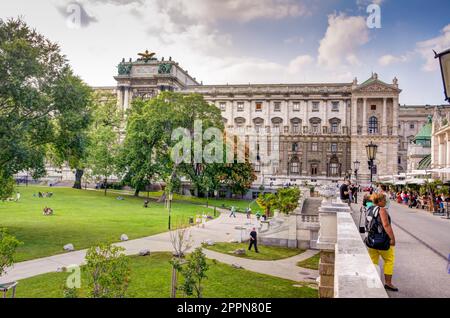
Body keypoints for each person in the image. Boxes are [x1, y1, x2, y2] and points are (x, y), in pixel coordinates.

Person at [367, 193, 398, 292]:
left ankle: (372, 281)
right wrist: (392, 238)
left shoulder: (370, 209)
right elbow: (386, 225)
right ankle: (388, 283)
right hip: (382, 240)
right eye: (384, 200)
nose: (386, 201)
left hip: (371, 240)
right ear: (379, 201)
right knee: (389, 260)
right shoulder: (382, 210)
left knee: (373, 261)